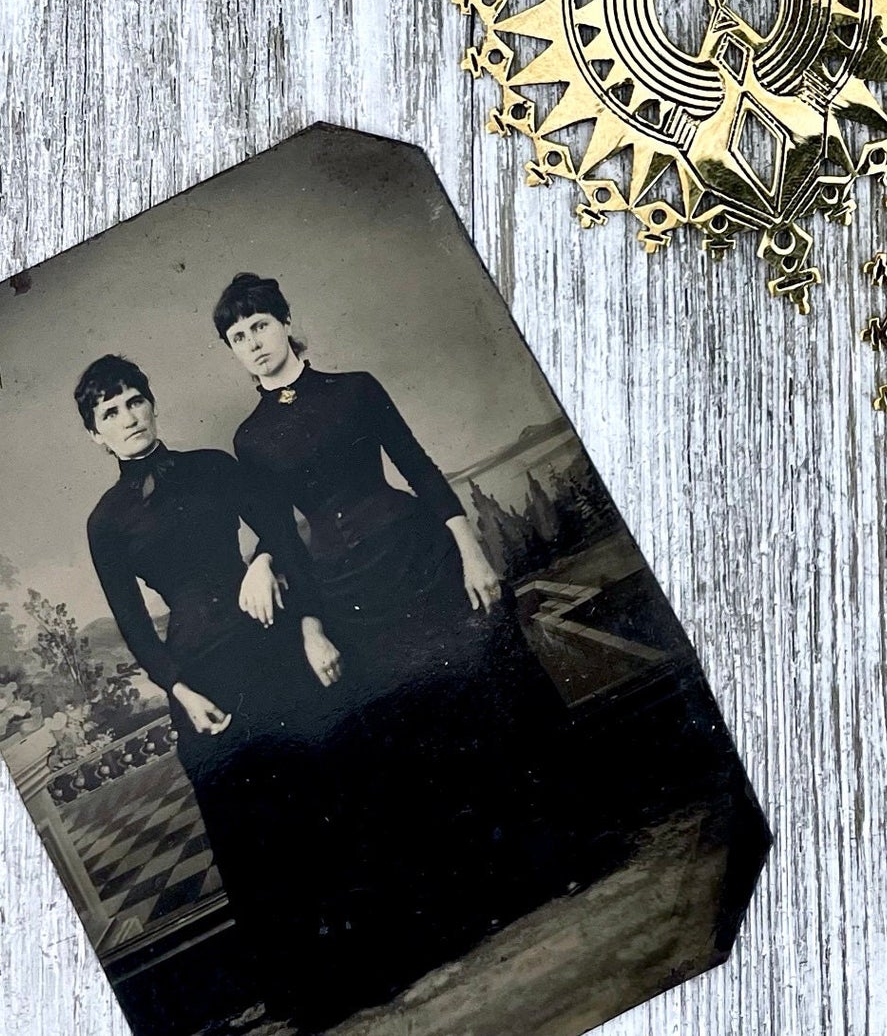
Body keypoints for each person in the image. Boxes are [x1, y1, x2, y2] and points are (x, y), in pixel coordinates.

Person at [216, 272, 576, 1003]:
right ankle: (473, 907)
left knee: (480, 708)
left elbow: (417, 467)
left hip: (419, 560)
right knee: (410, 740)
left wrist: (470, 549)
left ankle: (546, 868)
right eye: (236, 337)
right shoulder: (248, 441)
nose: (252, 344)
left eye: (259, 325)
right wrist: (304, 616)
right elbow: (281, 534)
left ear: (286, 322)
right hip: (348, 598)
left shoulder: (354, 389)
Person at [78, 355, 334, 1029]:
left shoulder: (215, 466)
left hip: (269, 643)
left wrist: (264, 561)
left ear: (153, 405)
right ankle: (309, 993)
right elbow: (134, 624)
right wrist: (179, 691)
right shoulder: (105, 522)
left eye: (135, 400)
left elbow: (281, 527)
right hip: (200, 680)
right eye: (111, 412)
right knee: (250, 833)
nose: (128, 417)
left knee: (315, 797)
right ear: (97, 436)